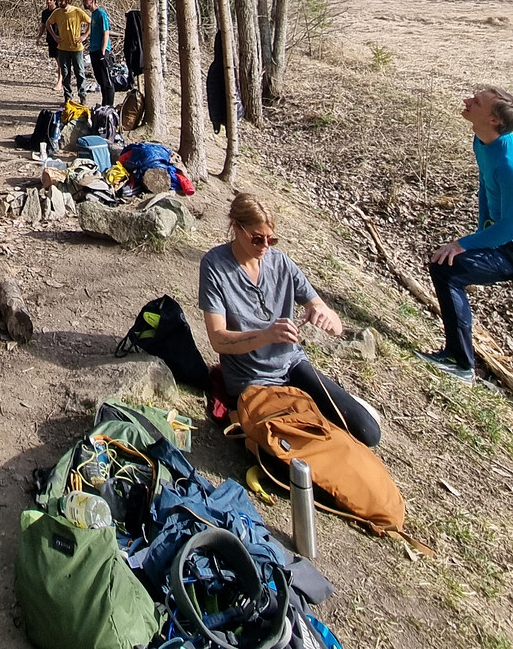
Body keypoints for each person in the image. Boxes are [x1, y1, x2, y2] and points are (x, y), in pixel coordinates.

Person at [199, 191, 381, 448]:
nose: (265, 247)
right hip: (251, 378)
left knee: (368, 432)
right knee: (295, 447)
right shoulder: (215, 266)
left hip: (292, 365)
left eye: (271, 239)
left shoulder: (281, 263)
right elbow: (218, 340)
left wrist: (323, 315)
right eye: (257, 239)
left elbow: (335, 323)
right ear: (236, 227)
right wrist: (266, 335)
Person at [420, 86, 513, 384]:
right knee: (446, 265)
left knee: (447, 267)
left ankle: (460, 362)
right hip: (503, 237)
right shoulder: (481, 140)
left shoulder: (509, 163)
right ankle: (460, 360)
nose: (466, 100)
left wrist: (463, 244)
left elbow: (509, 227)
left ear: (494, 120)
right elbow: (486, 187)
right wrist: (480, 233)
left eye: (476, 101)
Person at [45, 0, 90, 106]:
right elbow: (48, 23)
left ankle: (82, 96)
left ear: (67, 0)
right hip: (62, 48)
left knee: (79, 72)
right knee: (65, 73)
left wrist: (84, 36)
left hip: (76, 48)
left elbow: (90, 22)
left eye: (62, 0)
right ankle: (68, 97)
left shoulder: (77, 11)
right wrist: (54, 36)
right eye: (59, 1)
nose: (60, 3)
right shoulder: (57, 12)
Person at [82, 0, 115, 108]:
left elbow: (106, 32)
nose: (84, 3)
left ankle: (109, 107)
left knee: (107, 81)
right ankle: (104, 104)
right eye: (83, 1)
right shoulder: (93, 15)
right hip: (93, 51)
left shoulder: (101, 14)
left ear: (92, 1)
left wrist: (103, 50)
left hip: (101, 51)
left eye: (85, 1)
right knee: (100, 80)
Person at [36, 0, 60, 92]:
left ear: (55, 1)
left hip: (59, 38)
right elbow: (43, 26)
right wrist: (39, 37)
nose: (48, 1)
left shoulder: (59, 11)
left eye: (50, 0)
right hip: (50, 39)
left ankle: (60, 81)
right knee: (57, 59)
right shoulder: (45, 13)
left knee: (60, 60)